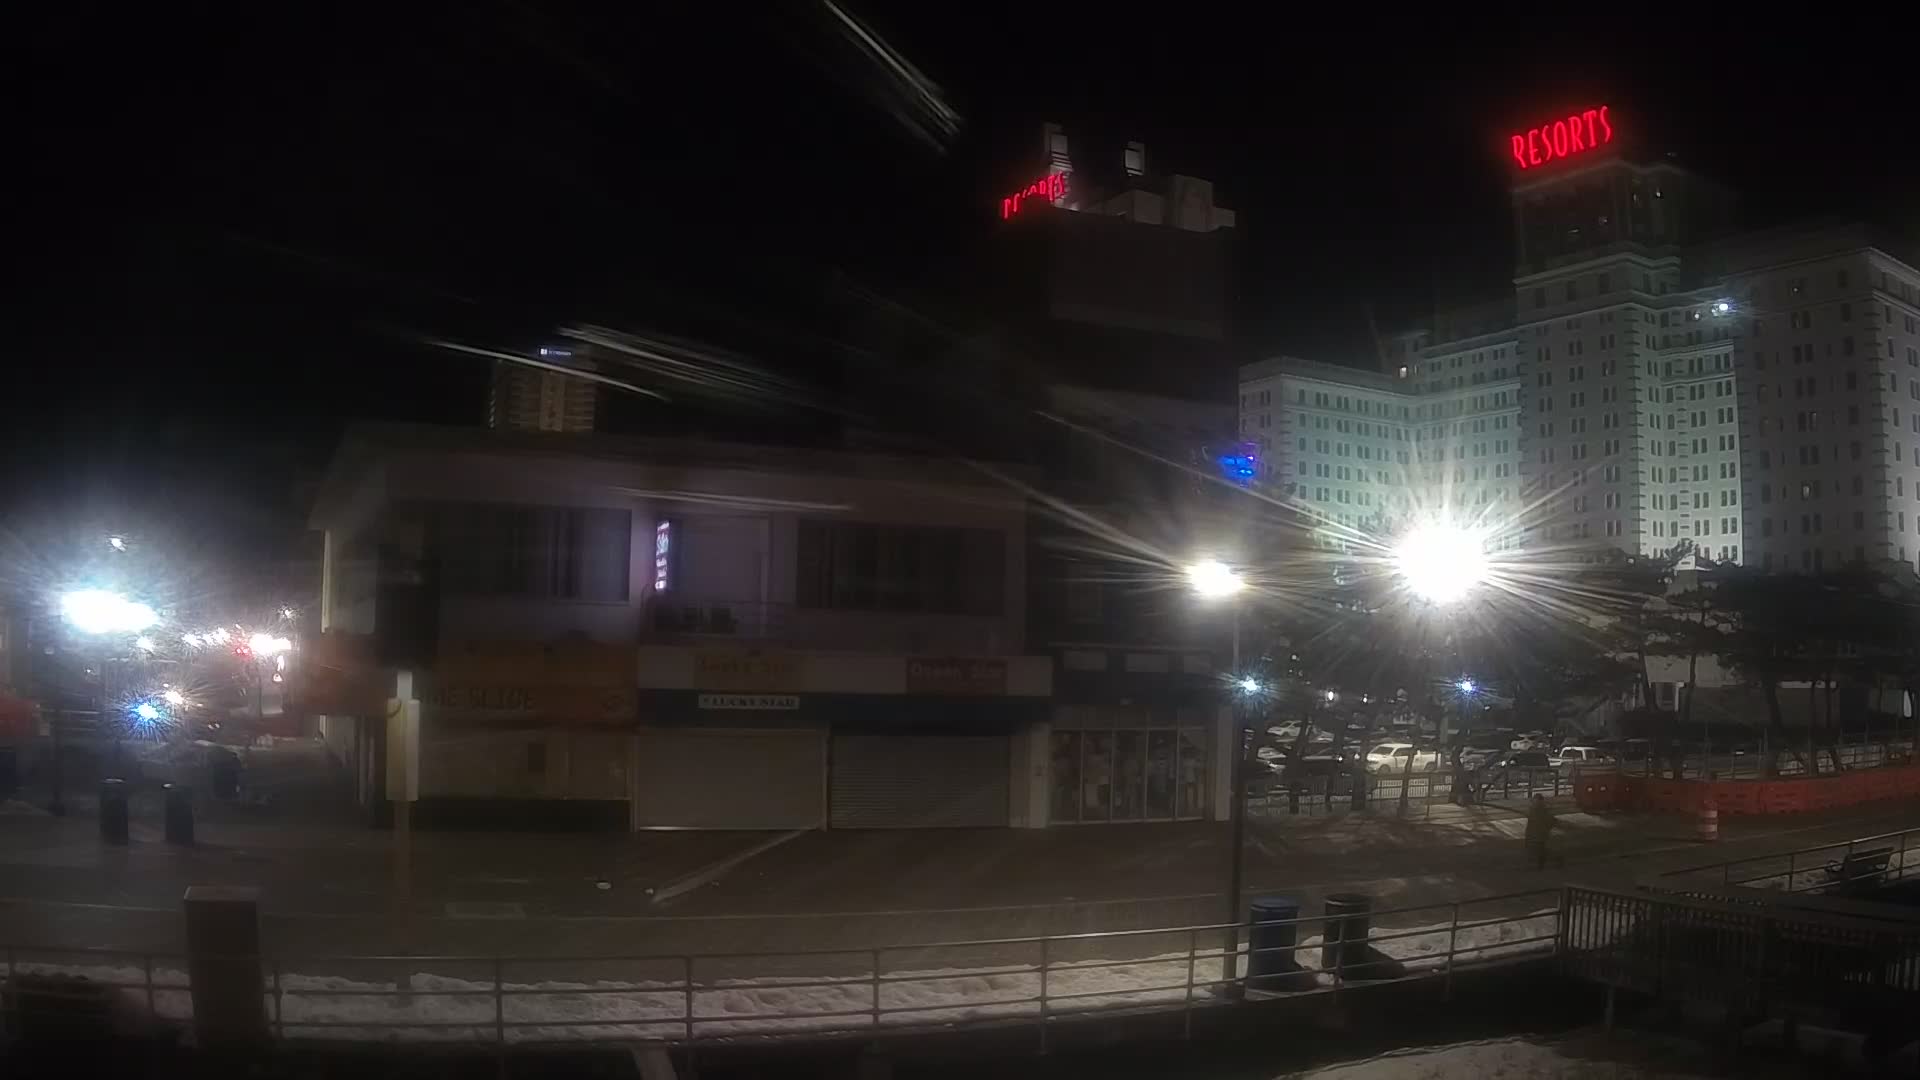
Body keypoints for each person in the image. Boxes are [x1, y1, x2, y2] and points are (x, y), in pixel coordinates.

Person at [1524, 793, 1556, 869]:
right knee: (1541, 849)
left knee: (1540, 849)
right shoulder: (1543, 810)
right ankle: (1541, 863)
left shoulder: (1533, 810)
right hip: (1541, 834)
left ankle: (1540, 863)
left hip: (1537, 834)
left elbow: (1530, 824)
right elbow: (1550, 821)